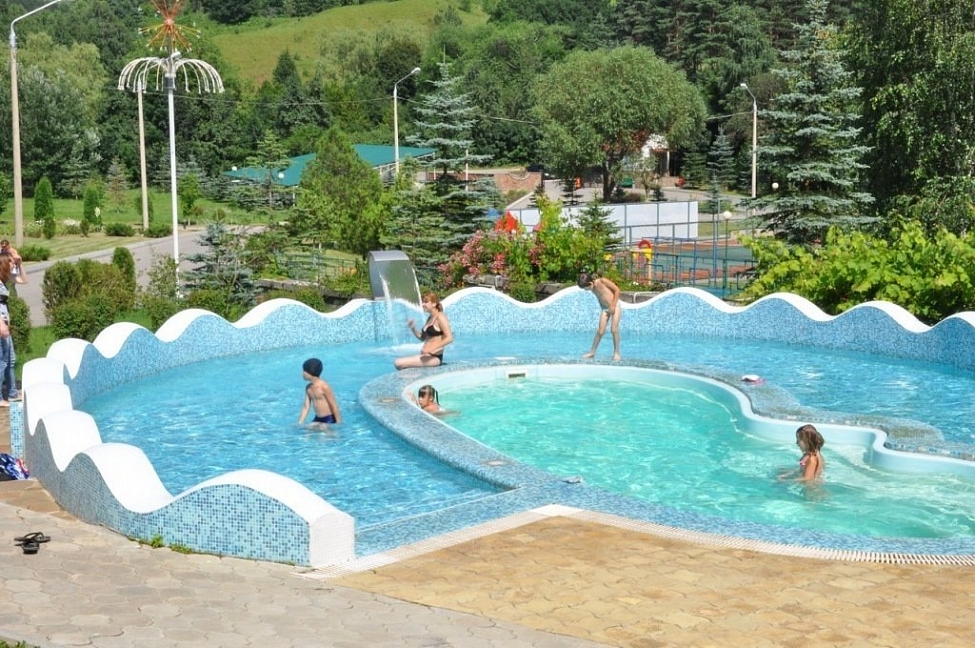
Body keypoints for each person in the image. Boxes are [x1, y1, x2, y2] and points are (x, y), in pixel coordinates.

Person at [395, 292, 454, 369]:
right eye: (423, 302)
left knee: (398, 363)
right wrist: (413, 328)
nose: (423, 304)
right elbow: (422, 338)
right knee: (404, 368)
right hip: (426, 356)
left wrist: (432, 348)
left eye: (426, 302)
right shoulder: (430, 318)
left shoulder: (440, 317)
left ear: (434, 304)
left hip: (434, 357)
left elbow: (449, 338)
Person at [578, 270, 622, 361]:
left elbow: (617, 290)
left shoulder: (602, 281)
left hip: (615, 306)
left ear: (591, 283)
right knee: (600, 331)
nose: (585, 290)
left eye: (585, 288)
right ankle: (592, 352)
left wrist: (613, 305)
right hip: (605, 308)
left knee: (614, 329)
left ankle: (616, 352)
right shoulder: (592, 288)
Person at [0, 254, 20, 407]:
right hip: (1, 325)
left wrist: (20, 264)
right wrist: (1, 325)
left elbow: (22, 279)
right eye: (11, 263)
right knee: (1, 362)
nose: (13, 265)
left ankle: (12, 393)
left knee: (10, 360)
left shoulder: (3, 281)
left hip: (5, 324)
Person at [297, 357, 341, 427]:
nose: (302, 373)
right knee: (307, 430)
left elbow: (334, 405)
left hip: (329, 418)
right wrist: (300, 422)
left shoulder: (324, 387)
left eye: (304, 371)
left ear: (310, 372)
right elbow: (306, 406)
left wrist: (339, 423)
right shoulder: (308, 388)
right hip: (317, 418)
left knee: (323, 430)